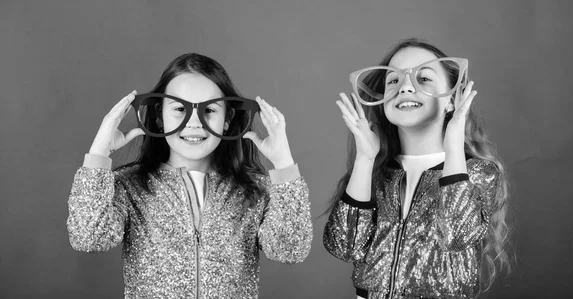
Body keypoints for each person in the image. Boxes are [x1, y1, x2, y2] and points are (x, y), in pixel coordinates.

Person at [67, 53, 312, 299]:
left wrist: (283, 164)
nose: (194, 123)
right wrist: (98, 154)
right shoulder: (131, 186)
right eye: (180, 109)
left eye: (210, 111)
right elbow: (88, 237)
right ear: (160, 118)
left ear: (227, 120)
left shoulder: (254, 190)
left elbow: (290, 250)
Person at [323, 38, 510, 299]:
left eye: (423, 79)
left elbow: (457, 235)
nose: (405, 87)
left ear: (452, 100)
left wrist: (454, 144)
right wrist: (365, 159)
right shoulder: (376, 173)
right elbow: (344, 247)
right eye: (393, 81)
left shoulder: (477, 172)